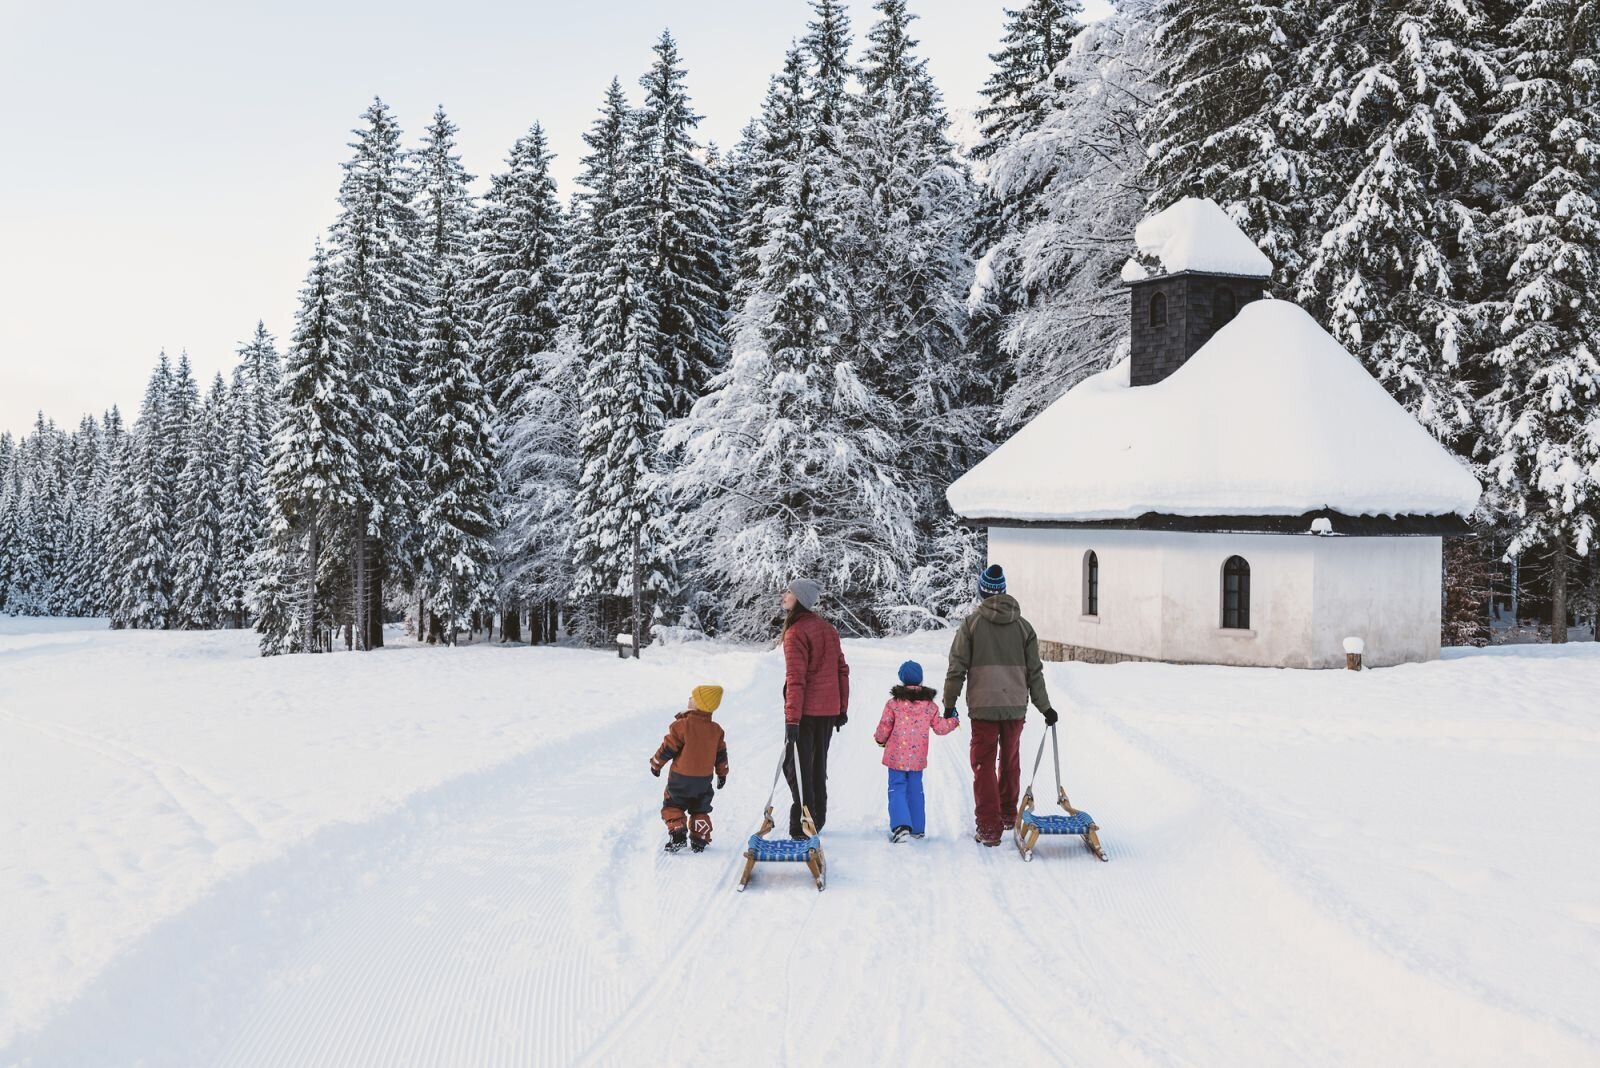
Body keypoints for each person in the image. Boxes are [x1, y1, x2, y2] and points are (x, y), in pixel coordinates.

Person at [944, 564, 1058, 847]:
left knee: (983, 764)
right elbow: (1034, 673)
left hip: (983, 707)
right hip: (1014, 706)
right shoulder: (1024, 627)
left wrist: (949, 703)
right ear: (1003, 591)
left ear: (982, 592)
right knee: (1010, 760)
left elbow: (956, 667)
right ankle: (1007, 814)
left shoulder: (971, 625)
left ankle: (988, 827)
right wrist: (1045, 707)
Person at [781, 578, 850, 838]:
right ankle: (816, 818)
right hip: (828, 711)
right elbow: (842, 670)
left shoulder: (796, 632)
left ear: (800, 598)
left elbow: (796, 679)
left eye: (789, 591)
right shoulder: (827, 629)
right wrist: (841, 708)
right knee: (817, 765)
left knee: (796, 768)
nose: (785, 595)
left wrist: (792, 720)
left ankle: (803, 824)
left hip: (806, 713)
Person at [873, 660, 959, 842]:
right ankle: (917, 828)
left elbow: (884, 726)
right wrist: (953, 720)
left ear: (902, 679)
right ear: (920, 680)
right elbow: (940, 727)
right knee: (915, 789)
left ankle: (901, 826)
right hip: (917, 758)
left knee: (897, 787)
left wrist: (880, 739)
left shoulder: (893, 704)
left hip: (896, 757)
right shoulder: (929, 706)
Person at [649, 684, 730, 853]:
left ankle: (678, 832)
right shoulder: (716, 730)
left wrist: (656, 764)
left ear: (699, 704)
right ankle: (700, 837)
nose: (689, 699)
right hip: (703, 781)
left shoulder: (682, 725)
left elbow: (668, 748)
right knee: (700, 807)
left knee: (673, 805)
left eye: (693, 697)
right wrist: (722, 773)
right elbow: (721, 755)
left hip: (680, 778)